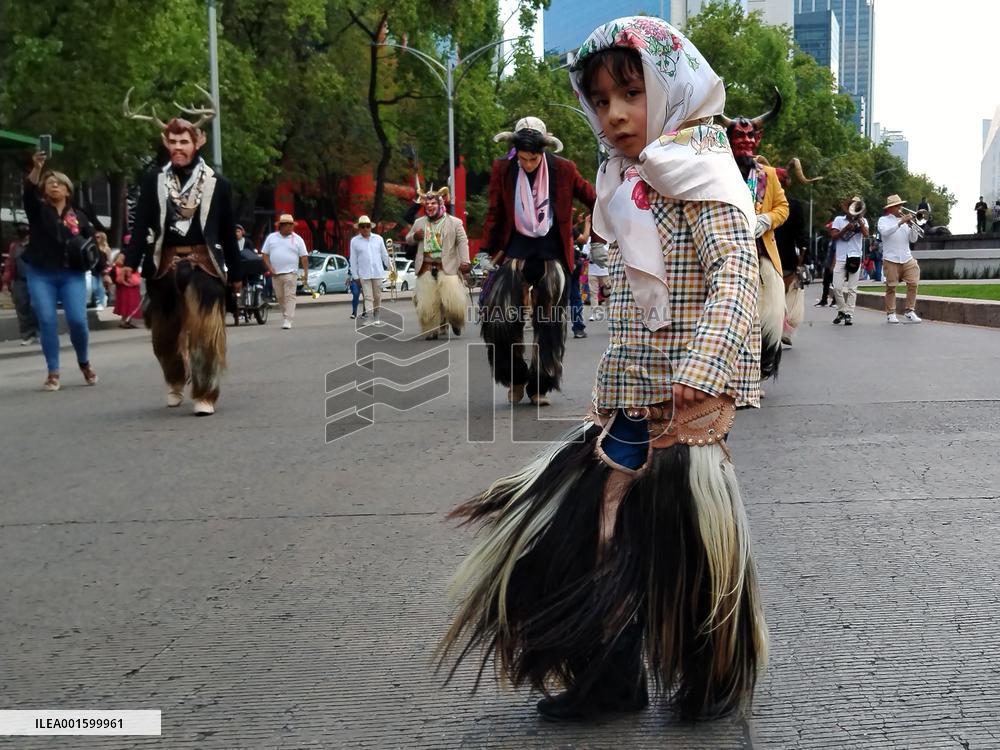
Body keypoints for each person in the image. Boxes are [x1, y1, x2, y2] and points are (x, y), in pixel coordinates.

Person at [438, 16, 767, 723]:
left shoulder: (702, 170)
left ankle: (712, 678)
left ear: (669, 86)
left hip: (690, 400)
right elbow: (630, 304)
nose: (615, 114)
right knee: (587, 527)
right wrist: (606, 393)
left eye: (631, 92)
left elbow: (736, 274)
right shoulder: (626, 177)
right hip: (629, 399)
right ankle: (614, 680)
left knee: (690, 545)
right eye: (600, 100)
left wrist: (707, 364)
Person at [123, 108, 242, 415]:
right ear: (166, 143)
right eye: (173, 141)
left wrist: (237, 272)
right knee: (163, 336)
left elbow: (228, 232)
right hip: (164, 266)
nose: (178, 147)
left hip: (204, 263)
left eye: (184, 141)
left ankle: (205, 392)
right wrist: (128, 262)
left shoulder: (219, 184)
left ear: (198, 142)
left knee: (206, 333)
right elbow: (139, 229)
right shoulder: (153, 182)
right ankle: (175, 378)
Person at [479, 116, 597, 405]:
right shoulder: (504, 169)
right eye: (523, 158)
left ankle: (540, 386)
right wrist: (483, 252)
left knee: (551, 323)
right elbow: (494, 212)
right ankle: (516, 377)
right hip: (516, 251)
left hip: (552, 253)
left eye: (533, 159)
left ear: (543, 153)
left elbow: (595, 199)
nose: (528, 164)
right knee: (499, 319)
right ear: (515, 153)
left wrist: (601, 238)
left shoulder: (564, 169)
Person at [21, 151, 100, 391]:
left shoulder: (80, 217)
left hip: (71, 275)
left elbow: (92, 247)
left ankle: (84, 362)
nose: (53, 185)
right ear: (44, 191)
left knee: (77, 321)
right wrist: (37, 167)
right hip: (41, 273)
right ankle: (53, 372)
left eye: (59, 183)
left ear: (67, 191)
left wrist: (102, 271)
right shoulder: (38, 210)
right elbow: (28, 192)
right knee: (46, 320)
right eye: (49, 183)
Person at [721, 96, 788, 377]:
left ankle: (760, 372)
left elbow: (782, 207)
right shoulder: (718, 173)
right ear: (728, 138)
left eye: (751, 136)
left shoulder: (769, 175)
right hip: (729, 255)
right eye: (739, 135)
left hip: (763, 254)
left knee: (770, 315)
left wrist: (767, 219)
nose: (746, 141)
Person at [405, 187, 470, 339]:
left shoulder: (455, 223)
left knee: (454, 305)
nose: (430, 207)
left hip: (447, 268)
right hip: (426, 267)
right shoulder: (419, 223)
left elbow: (462, 241)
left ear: (440, 204)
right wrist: (415, 236)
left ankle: (454, 321)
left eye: (433, 203)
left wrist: (465, 261)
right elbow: (408, 238)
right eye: (427, 205)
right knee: (426, 305)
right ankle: (431, 330)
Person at [773, 159, 819, 345]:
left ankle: (775, 329)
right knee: (785, 295)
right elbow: (800, 235)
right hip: (785, 260)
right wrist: (804, 257)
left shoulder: (759, 204)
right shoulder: (793, 205)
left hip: (766, 257)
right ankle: (782, 328)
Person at [878, 194, 922, 324]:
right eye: (897, 206)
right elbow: (885, 233)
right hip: (891, 258)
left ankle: (909, 311)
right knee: (891, 287)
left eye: (900, 205)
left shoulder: (906, 221)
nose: (900, 208)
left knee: (913, 282)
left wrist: (913, 226)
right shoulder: (883, 220)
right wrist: (900, 223)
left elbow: (913, 239)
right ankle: (891, 313)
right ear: (890, 208)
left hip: (906, 257)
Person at [261, 214, 308, 330]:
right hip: (276, 274)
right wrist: (270, 268)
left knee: (290, 296)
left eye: (292, 225)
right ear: (281, 226)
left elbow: (304, 257)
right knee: (280, 297)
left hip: (290, 273)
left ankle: (288, 319)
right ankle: (285, 315)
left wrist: (306, 273)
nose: (291, 227)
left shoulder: (297, 239)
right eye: (288, 225)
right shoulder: (272, 238)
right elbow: (265, 255)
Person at [829, 197, 868, 326]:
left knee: (852, 288)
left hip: (855, 256)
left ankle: (849, 314)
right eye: (853, 207)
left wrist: (860, 222)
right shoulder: (839, 220)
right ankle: (842, 310)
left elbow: (866, 234)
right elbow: (834, 236)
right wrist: (846, 229)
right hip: (841, 257)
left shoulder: (863, 220)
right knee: (837, 287)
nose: (854, 210)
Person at [1, 223, 38, 345]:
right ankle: (27, 335)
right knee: (22, 309)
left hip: (35, 279)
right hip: (19, 281)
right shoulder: (14, 247)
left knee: (36, 307)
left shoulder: (35, 245)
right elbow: (10, 264)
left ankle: (39, 333)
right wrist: (6, 282)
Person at [349, 215, 389, 325]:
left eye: (367, 226)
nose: (365, 229)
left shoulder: (378, 239)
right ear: (359, 228)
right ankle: (370, 317)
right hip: (364, 273)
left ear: (370, 227)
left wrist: (391, 268)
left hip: (377, 272)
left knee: (377, 296)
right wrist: (355, 276)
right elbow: (353, 260)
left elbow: (384, 255)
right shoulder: (354, 241)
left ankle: (376, 316)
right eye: (362, 226)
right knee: (368, 296)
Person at [569, 213, 591, 338]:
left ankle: (551, 330)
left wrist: (578, 223)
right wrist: (587, 224)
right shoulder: (566, 227)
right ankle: (578, 328)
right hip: (570, 265)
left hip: (552, 263)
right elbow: (584, 239)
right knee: (575, 297)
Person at [110, 253, 142, 327]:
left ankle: (126, 320)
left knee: (128, 302)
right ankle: (125, 321)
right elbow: (118, 262)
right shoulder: (126, 252)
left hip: (128, 280)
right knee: (128, 302)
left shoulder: (127, 251)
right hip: (127, 280)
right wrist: (128, 265)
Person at [92, 231, 113, 310]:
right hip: (94, 269)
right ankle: (100, 299)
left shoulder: (106, 249)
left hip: (103, 270)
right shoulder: (93, 247)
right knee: (93, 287)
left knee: (100, 286)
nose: (96, 238)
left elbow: (110, 261)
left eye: (98, 237)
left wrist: (108, 270)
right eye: (95, 237)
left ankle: (100, 302)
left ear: (102, 238)